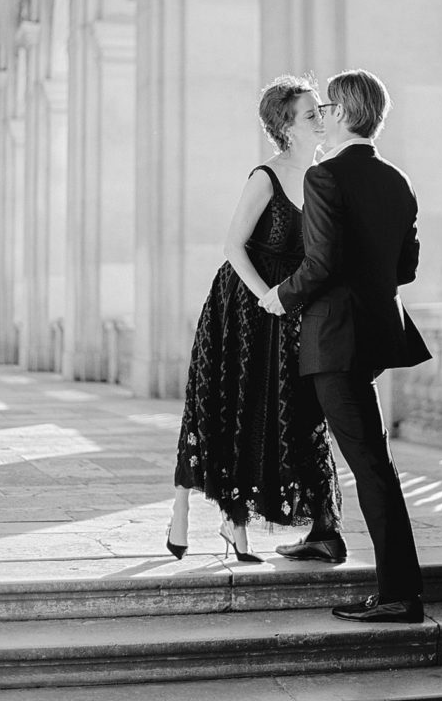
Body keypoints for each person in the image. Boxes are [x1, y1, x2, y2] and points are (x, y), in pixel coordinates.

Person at [261, 69, 432, 622]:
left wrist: (278, 297)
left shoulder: (324, 177)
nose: (324, 114)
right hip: (373, 333)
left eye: (329, 106)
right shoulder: (399, 180)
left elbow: (321, 264)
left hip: (334, 338)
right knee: (307, 429)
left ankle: (400, 594)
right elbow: (404, 266)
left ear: (346, 113)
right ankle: (322, 530)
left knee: (372, 466)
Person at [169, 75, 343, 562]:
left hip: (290, 308)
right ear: (286, 127)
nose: (321, 118)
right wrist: (268, 296)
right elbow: (232, 246)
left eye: (320, 110)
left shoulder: (324, 176)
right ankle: (185, 507)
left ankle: (313, 525)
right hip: (244, 305)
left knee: (290, 410)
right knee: (229, 407)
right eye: (311, 113)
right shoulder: (266, 176)